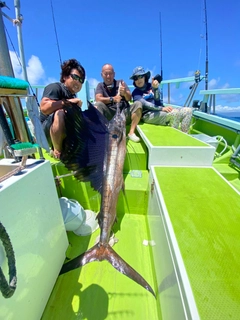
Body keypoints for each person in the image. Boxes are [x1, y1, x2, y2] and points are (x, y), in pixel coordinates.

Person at [40, 58, 85, 159]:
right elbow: (44, 107)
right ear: (65, 76)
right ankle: (57, 152)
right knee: (60, 113)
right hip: (47, 134)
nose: (78, 82)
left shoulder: (73, 97)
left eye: (81, 80)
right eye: (75, 77)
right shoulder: (55, 87)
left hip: (64, 134)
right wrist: (67, 103)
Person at [130, 66, 193, 133]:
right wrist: (161, 109)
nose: (138, 80)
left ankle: (184, 134)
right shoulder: (135, 93)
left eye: (140, 76)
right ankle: (174, 137)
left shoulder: (151, 85)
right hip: (148, 114)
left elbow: (157, 100)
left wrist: (156, 88)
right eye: (135, 78)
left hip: (160, 109)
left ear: (145, 77)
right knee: (175, 113)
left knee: (188, 111)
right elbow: (144, 104)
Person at [95, 63, 142, 142]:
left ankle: (131, 132)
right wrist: (112, 99)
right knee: (98, 105)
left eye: (110, 73)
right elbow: (98, 99)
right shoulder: (100, 85)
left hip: (124, 113)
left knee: (138, 104)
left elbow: (129, 98)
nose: (108, 76)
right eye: (106, 74)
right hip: (110, 115)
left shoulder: (121, 82)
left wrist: (124, 93)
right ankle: (101, 134)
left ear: (114, 74)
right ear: (102, 75)